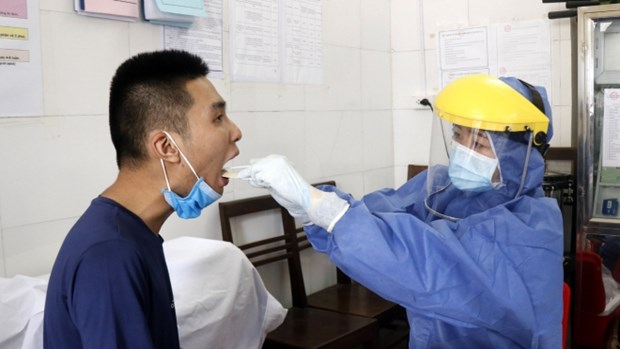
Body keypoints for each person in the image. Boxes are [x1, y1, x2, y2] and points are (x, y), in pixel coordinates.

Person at [238, 74, 564, 348]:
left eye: (478, 145)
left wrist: (328, 211)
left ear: (521, 156)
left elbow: (427, 265)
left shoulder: (532, 229)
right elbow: (381, 214)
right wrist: (312, 207)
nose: (463, 154)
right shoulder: (449, 189)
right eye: (458, 138)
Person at [43, 50, 242, 348]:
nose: (236, 132)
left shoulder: (131, 232)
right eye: (218, 117)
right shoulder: (110, 255)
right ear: (166, 146)